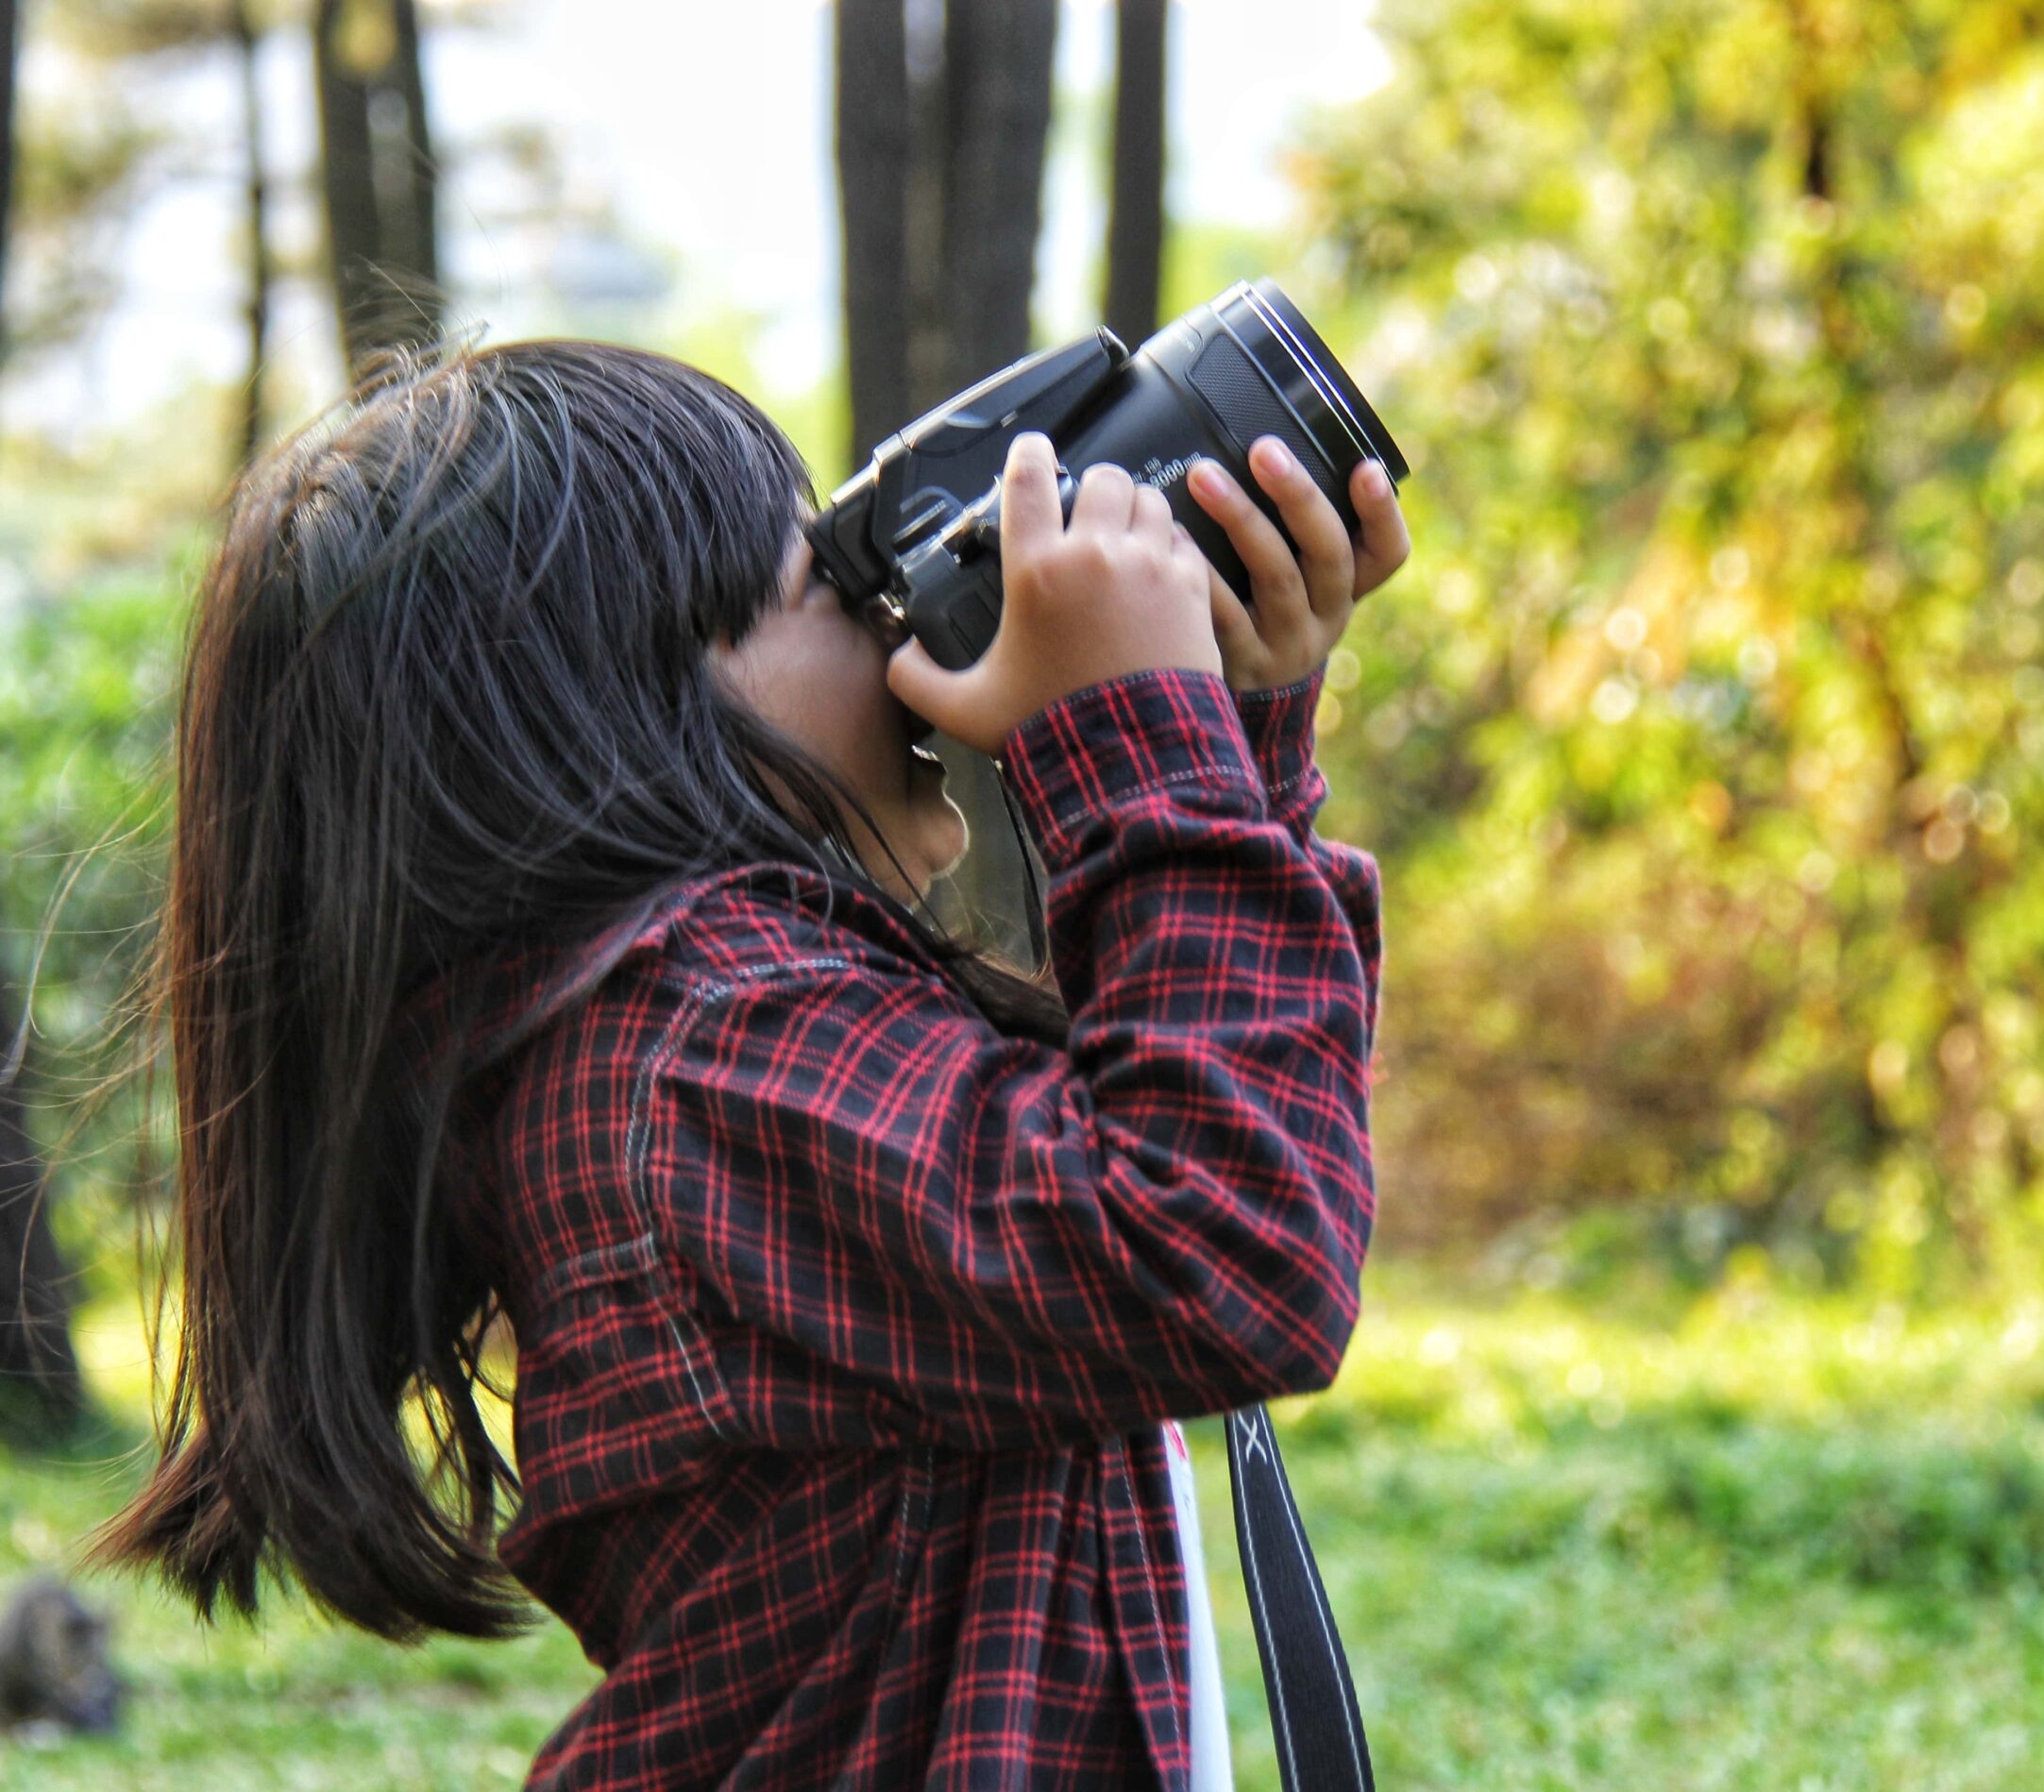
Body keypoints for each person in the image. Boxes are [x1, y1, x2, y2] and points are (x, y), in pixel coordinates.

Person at [93, 336, 1410, 1788]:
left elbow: (1174, 1100)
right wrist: (1143, 743)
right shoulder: (695, 1053)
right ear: (610, 723)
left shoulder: (694, 1026)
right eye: (823, 577)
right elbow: (1226, 1244)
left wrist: (1222, 726)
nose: (890, 603)